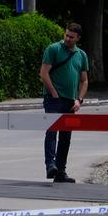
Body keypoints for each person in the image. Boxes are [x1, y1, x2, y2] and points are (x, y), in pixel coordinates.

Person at [39, 22, 89, 184]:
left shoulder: (81, 55)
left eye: (71, 37)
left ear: (78, 38)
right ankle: (50, 165)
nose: (67, 38)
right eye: (66, 35)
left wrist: (79, 99)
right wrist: (53, 92)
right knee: (52, 131)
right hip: (53, 99)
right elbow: (44, 73)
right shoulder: (53, 49)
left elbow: (84, 81)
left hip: (70, 101)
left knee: (66, 136)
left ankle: (61, 171)